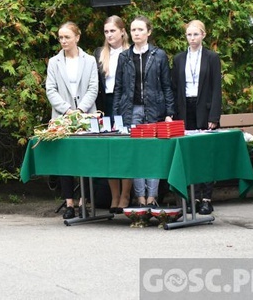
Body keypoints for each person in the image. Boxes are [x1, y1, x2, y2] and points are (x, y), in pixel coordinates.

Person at [113, 15, 174, 207]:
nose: (136, 33)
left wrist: (169, 113)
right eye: (133, 30)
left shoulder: (159, 55)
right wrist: (117, 116)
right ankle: (139, 198)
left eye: (140, 30)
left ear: (149, 32)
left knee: (153, 153)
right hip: (131, 111)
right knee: (137, 154)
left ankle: (152, 197)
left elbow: (167, 86)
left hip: (154, 110)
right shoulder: (124, 57)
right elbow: (118, 88)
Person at [45, 22, 99, 219]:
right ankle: (69, 203)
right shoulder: (54, 62)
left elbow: (93, 87)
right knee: (66, 159)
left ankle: (85, 200)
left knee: (85, 158)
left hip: (85, 115)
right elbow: (50, 89)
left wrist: (81, 110)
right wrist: (67, 110)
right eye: (60, 38)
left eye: (67, 37)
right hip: (62, 116)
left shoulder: (90, 60)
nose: (63, 41)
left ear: (77, 37)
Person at [172, 19, 222, 215]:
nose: (192, 38)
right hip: (185, 109)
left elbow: (216, 88)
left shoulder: (212, 57)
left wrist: (214, 115)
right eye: (188, 35)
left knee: (205, 154)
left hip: (205, 109)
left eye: (195, 34)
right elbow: (175, 88)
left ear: (203, 35)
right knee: (189, 154)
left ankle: (206, 198)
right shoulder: (178, 59)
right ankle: (192, 197)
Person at [94, 15, 133, 213]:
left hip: (125, 104)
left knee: (124, 150)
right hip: (106, 104)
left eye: (113, 31)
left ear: (122, 31)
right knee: (110, 151)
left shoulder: (130, 52)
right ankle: (114, 195)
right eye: (106, 31)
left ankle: (126, 195)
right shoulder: (99, 53)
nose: (109, 35)